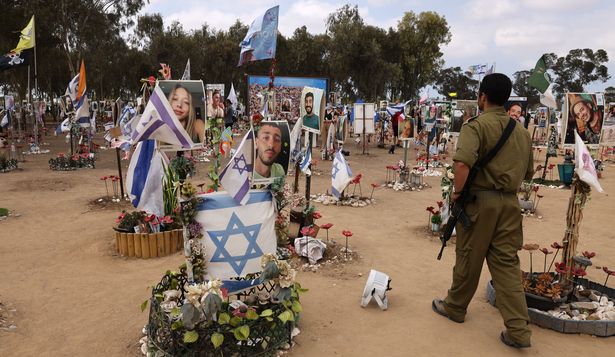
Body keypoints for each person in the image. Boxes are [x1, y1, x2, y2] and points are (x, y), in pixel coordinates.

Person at [432, 73, 533, 349]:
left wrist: (456, 193)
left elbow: (462, 165)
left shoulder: (474, 126)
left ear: (482, 97)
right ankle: (518, 331)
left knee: (468, 256)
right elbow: (529, 172)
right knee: (507, 265)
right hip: (510, 205)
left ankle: (455, 307)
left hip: (480, 202)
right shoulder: (522, 133)